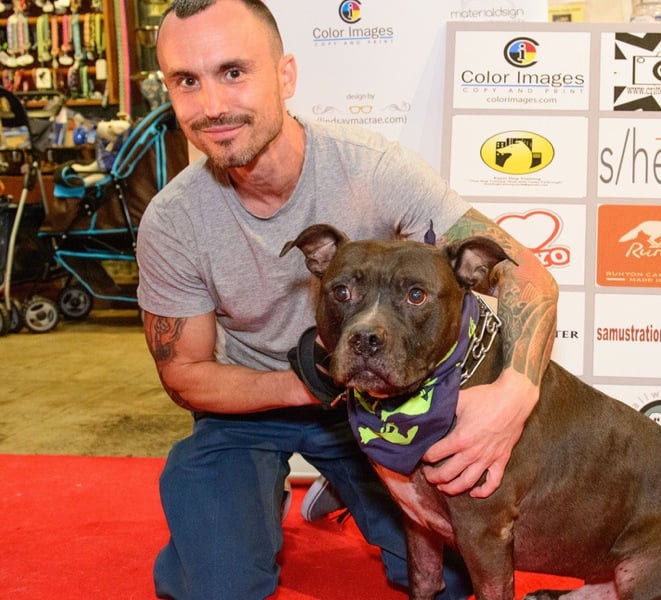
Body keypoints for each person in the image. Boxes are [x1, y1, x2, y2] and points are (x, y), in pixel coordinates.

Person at [136, 1, 559, 598]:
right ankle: (266, 492)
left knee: (459, 582)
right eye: (187, 81)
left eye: (233, 72)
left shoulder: (372, 169)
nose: (211, 105)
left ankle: (346, 480)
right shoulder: (174, 220)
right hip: (248, 414)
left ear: (285, 75)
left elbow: (529, 277)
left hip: (382, 412)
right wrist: (309, 385)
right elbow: (184, 373)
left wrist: (516, 392)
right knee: (219, 588)